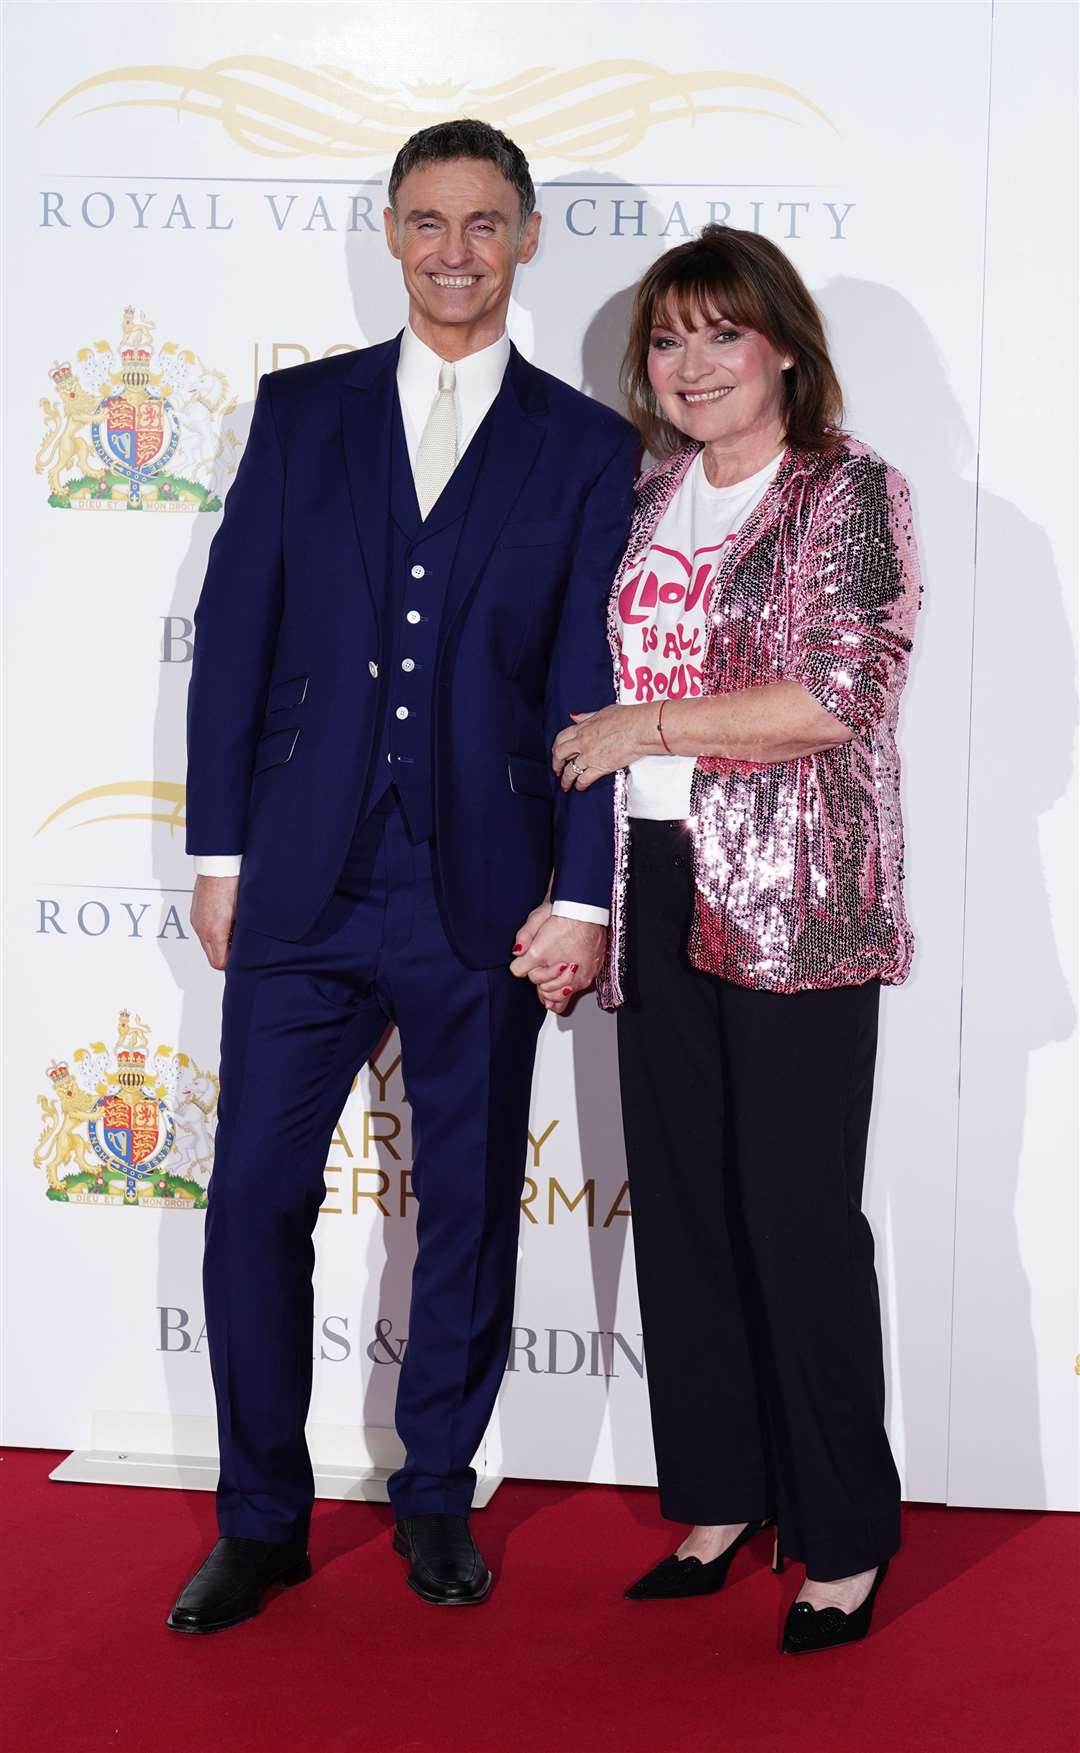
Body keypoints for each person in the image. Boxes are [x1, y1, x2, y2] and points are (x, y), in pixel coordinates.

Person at [170, 119, 637, 1633]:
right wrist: (221, 848)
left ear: (526, 239)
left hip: (486, 894)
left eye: (484, 224)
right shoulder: (301, 412)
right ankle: (260, 1516)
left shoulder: (584, 447)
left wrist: (581, 890)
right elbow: (235, 640)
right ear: (390, 233)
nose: (455, 252)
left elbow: (588, 678)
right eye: (428, 223)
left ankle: (437, 1487)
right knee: (250, 1197)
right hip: (302, 882)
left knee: (476, 1201)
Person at [551, 226, 921, 1654]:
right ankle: (717, 1496)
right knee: (691, 1211)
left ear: (782, 347)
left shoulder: (847, 491)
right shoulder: (643, 494)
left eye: (720, 333)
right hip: (652, 880)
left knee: (798, 1217)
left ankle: (841, 1535)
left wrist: (648, 726)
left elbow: (839, 696)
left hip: (797, 899)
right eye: (667, 339)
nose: (691, 364)